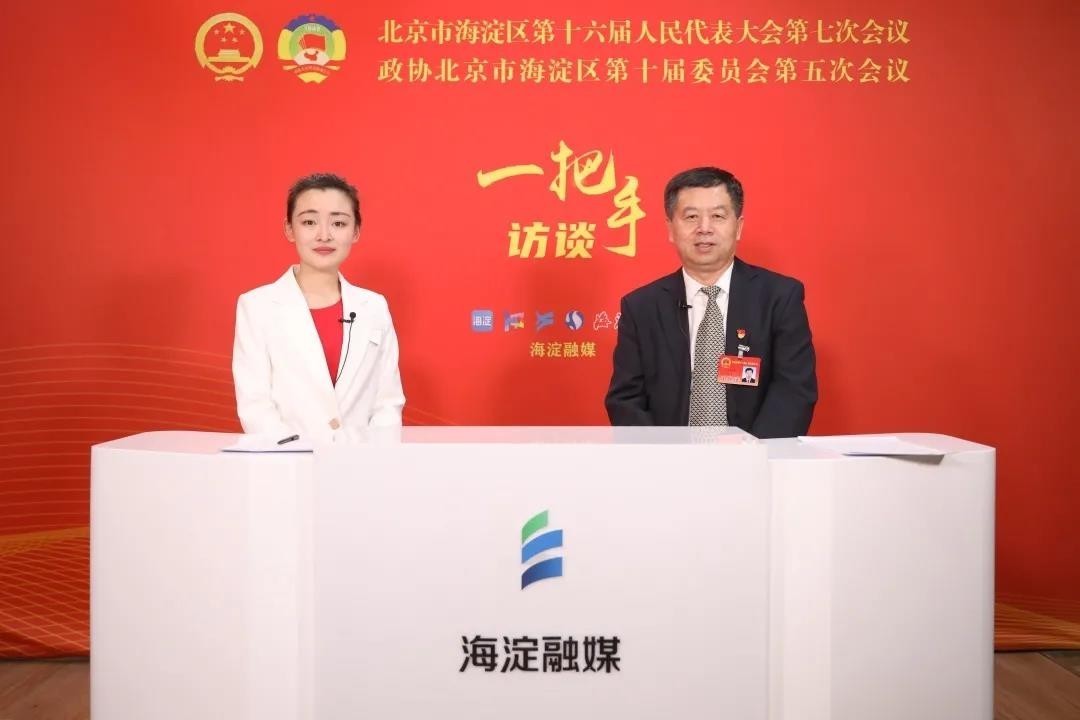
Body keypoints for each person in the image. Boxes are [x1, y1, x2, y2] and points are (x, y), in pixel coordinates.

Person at [605, 167, 816, 438]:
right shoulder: (641, 307)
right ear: (670, 229)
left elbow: (794, 391)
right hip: (669, 460)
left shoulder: (779, 297)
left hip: (756, 457)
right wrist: (662, 455)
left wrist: (752, 452)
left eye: (717, 216)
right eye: (691, 217)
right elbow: (625, 400)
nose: (704, 228)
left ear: (738, 227)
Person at [232, 173, 405, 441]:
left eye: (338, 223)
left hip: (362, 460)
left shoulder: (374, 307)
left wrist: (371, 456)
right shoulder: (256, 307)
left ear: (356, 231)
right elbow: (255, 406)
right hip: (286, 461)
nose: (324, 235)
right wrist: (297, 456)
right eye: (309, 222)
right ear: (289, 229)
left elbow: (387, 403)